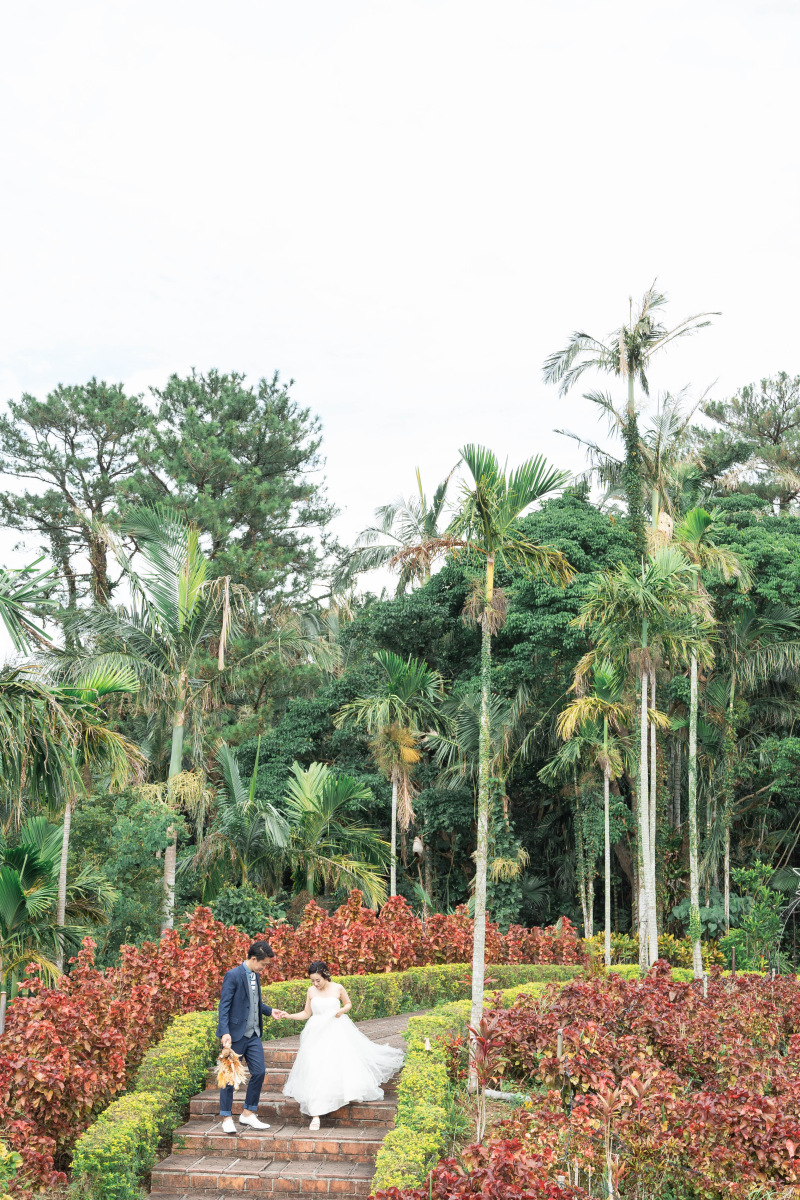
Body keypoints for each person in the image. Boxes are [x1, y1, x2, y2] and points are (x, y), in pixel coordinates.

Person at [281, 960, 405, 1130]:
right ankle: (315, 1114)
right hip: (315, 1032)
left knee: (338, 1062)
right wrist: (289, 1016)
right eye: (312, 981)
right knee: (315, 1067)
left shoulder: (338, 988)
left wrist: (341, 1010)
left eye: (318, 980)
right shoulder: (311, 991)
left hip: (336, 1029)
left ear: (325, 976)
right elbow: (306, 1013)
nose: (315, 984)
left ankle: (340, 1093)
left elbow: (348, 1004)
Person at [217, 940, 289, 1134]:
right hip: (235, 1035)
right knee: (229, 1076)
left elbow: (255, 1002)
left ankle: (248, 1114)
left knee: (259, 1072)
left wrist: (270, 1011)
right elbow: (223, 1007)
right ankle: (226, 1117)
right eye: (263, 964)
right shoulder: (233, 975)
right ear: (253, 958)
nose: (264, 968)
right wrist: (225, 1032)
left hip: (254, 1034)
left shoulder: (255, 975)